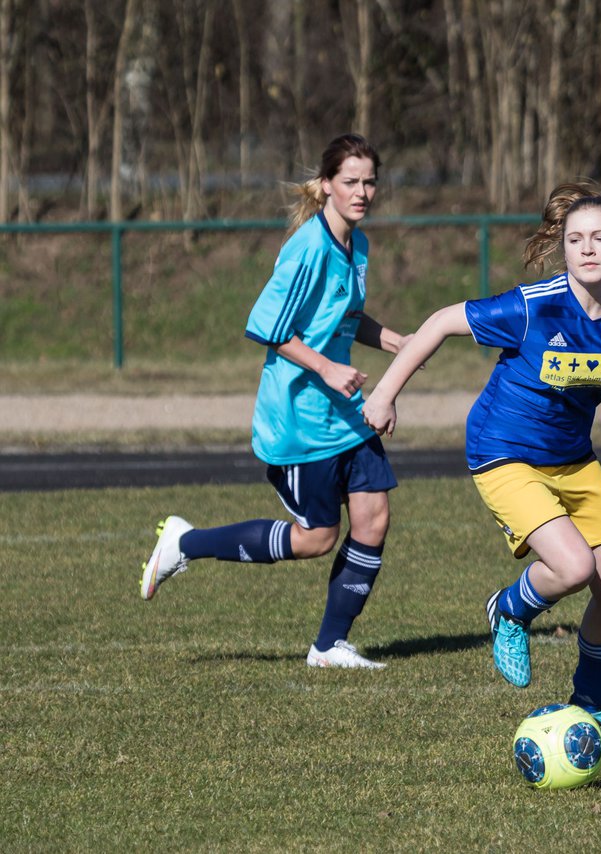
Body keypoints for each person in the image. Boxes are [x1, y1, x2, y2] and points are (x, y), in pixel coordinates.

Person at [361, 181, 601, 733]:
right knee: (572, 567)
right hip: (504, 453)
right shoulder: (535, 306)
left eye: (600, 237)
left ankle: (591, 702)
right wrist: (383, 394)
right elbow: (441, 322)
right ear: (564, 248)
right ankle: (509, 609)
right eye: (576, 239)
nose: (588, 248)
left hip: (572, 458)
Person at [140, 133, 410, 670]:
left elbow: (345, 318)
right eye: (350, 182)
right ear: (327, 185)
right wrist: (329, 367)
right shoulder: (308, 247)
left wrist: (398, 344)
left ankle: (329, 646)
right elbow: (267, 327)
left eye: (369, 181)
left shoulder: (359, 246)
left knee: (374, 517)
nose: (361, 192)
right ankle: (185, 543)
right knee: (316, 539)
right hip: (299, 418)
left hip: (343, 415)